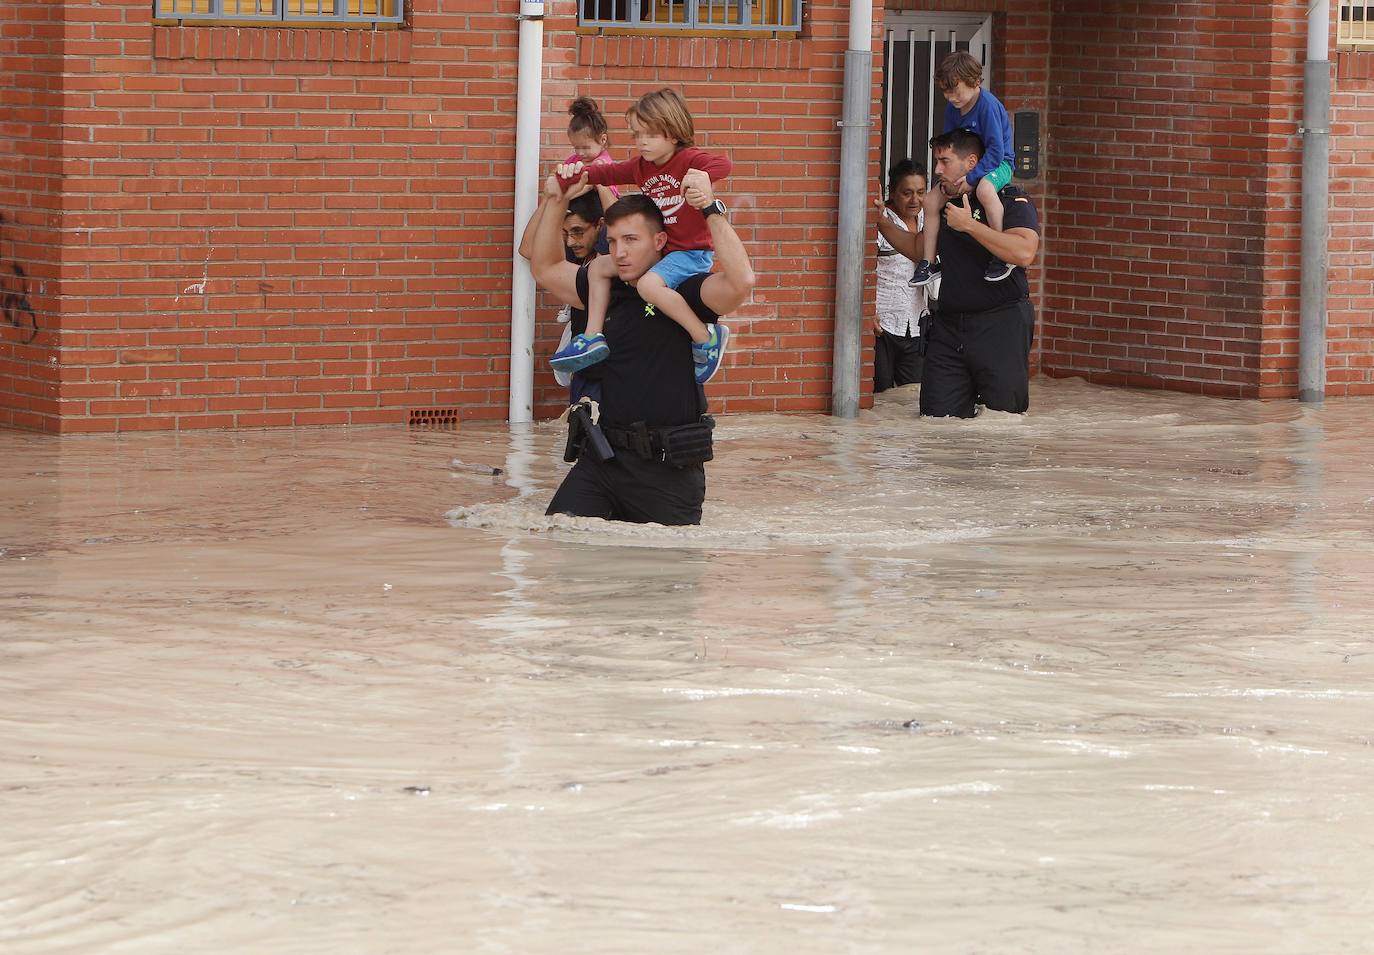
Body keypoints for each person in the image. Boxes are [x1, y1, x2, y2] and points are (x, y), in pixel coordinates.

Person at [530, 168, 755, 525]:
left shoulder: (684, 292)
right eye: (614, 240)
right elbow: (544, 267)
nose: (619, 252)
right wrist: (555, 198)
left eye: (631, 240)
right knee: (560, 544)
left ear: (660, 242)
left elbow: (741, 282)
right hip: (602, 461)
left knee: (661, 575)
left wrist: (710, 208)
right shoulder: (605, 290)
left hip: (667, 472)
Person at [549, 88, 732, 385]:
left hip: (690, 253)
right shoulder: (641, 167)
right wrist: (571, 174)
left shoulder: (688, 159)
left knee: (648, 285)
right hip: (663, 251)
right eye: (636, 135)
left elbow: (723, 164)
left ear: (673, 133)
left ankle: (705, 337)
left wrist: (703, 178)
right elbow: (605, 174)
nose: (641, 142)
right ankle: (593, 336)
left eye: (650, 134)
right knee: (598, 267)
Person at [881, 128, 1040, 417]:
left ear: (971, 163)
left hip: (1000, 324)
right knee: (936, 419)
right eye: (936, 162)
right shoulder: (943, 204)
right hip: (949, 326)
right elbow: (919, 250)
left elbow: (1023, 252)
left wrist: (970, 226)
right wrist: (879, 221)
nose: (937, 170)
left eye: (945, 161)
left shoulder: (1010, 200)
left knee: (1001, 420)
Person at [909, 51, 1015, 288]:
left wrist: (973, 178)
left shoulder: (987, 106)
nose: (951, 97)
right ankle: (928, 261)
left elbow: (997, 152)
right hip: (966, 165)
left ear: (975, 81)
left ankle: (1001, 252)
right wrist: (950, 178)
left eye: (955, 90)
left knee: (986, 191)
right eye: (946, 92)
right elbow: (950, 147)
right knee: (931, 200)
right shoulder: (952, 109)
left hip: (998, 164)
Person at [517, 189, 606, 401]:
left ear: (600, 225)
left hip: (612, 374)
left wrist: (602, 182)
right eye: (565, 233)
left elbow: (617, 222)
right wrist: (552, 199)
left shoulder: (611, 258)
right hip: (585, 372)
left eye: (578, 231)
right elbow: (527, 248)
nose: (571, 242)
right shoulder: (579, 255)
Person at [871, 159, 930, 393]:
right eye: (907, 193)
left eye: (921, 192)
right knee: (880, 394)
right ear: (892, 192)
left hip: (916, 324)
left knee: (911, 396)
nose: (915, 200)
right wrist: (868, 311)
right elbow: (863, 269)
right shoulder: (878, 221)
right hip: (881, 324)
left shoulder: (929, 220)